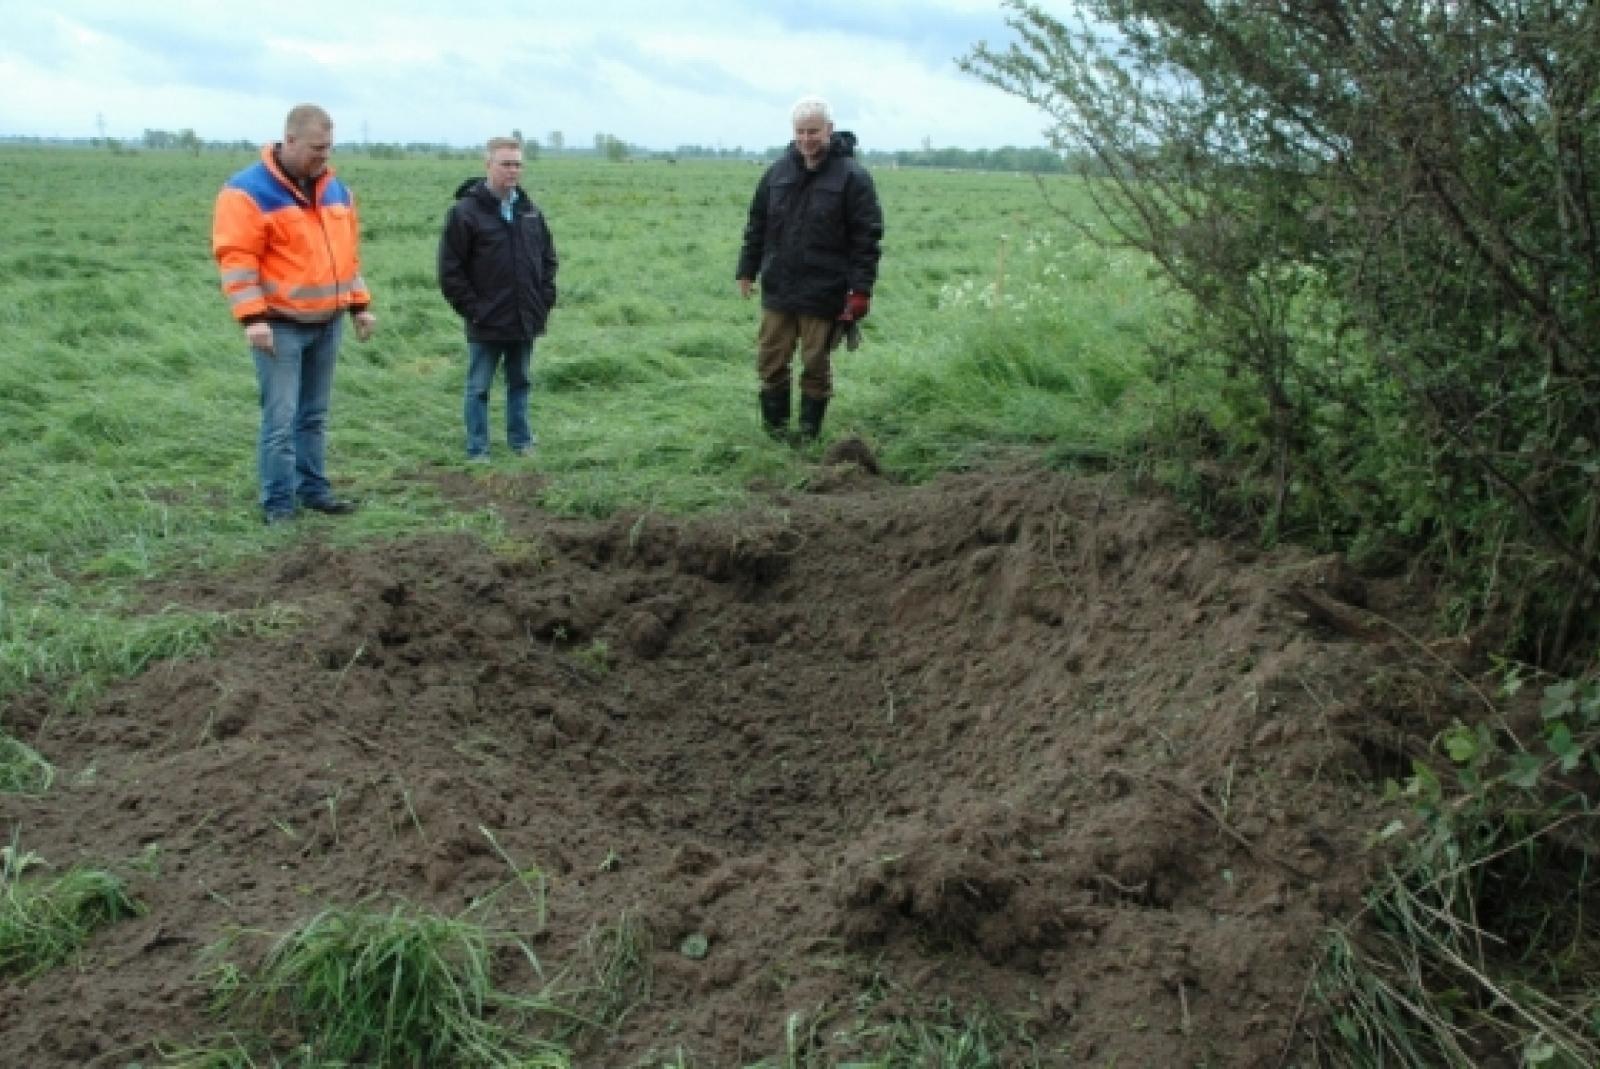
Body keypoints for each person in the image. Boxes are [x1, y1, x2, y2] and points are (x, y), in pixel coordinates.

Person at [212, 103, 375, 525]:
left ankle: (314, 491)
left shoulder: (337, 191)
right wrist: (253, 319)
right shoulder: (247, 192)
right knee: (281, 421)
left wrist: (359, 306)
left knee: (314, 416)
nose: (324, 156)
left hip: (328, 322)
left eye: (329, 147)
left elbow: (347, 258)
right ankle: (279, 505)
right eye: (317, 148)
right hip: (280, 327)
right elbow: (237, 261)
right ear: (290, 140)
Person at [736, 95, 884, 442]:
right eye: (800, 132)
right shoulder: (777, 173)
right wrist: (747, 269)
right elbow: (757, 224)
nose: (806, 139)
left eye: (813, 131)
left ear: (829, 129)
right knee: (770, 362)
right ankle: (776, 436)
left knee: (815, 365)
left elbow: (866, 238)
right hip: (779, 286)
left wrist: (861, 291)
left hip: (824, 289)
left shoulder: (853, 177)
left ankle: (807, 438)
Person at [437, 136, 559, 462]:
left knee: (520, 382)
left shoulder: (530, 211)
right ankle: (478, 450)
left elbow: (548, 260)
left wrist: (543, 300)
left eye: (517, 164)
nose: (512, 170)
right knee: (478, 387)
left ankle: (521, 442)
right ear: (488, 164)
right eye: (506, 164)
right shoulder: (465, 213)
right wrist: (474, 310)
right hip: (486, 320)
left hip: (525, 317)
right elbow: (450, 271)